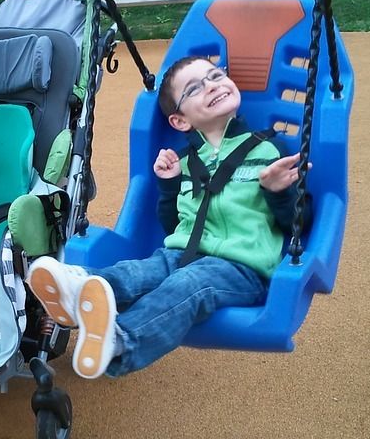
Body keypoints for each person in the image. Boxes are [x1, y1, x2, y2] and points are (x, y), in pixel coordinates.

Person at [27, 55, 310, 379]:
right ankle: (77, 288)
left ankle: (121, 341)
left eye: (216, 75)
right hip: (181, 253)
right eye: (194, 88)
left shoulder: (268, 151)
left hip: (242, 267)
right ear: (180, 121)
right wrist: (169, 184)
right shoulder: (185, 162)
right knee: (137, 271)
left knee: (188, 283)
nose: (212, 86)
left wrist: (278, 190)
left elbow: (298, 224)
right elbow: (173, 226)